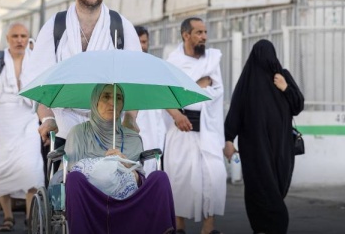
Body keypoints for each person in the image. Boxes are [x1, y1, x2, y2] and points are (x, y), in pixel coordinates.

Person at [25, 0, 142, 153]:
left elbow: (136, 77)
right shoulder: (56, 25)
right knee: (66, 180)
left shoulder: (120, 26)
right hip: (64, 124)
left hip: (109, 127)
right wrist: (47, 118)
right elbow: (39, 80)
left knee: (108, 180)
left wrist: (130, 117)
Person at [64, 84, 176, 234]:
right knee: (74, 178)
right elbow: (70, 175)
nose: (113, 103)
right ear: (95, 101)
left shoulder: (132, 138)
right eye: (106, 97)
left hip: (128, 203)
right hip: (93, 202)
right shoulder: (79, 133)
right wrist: (101, 165)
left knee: (160, 177)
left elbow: (139, 182)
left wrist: (126, 165)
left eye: (118, 98)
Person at [223, 40, 304, 234]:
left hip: (281, 148)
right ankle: (269, 227)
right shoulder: (247, 83)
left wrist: (285, 88)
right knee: (261, 190)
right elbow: (235, 111)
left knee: (276, 189)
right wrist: (228, 139)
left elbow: (298, 105)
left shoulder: (282, 77)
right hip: (255, 149)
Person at [0, 23, 44, 232]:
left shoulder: (36, 60)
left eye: (23, 36)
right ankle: (8, 216)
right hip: (1, 122)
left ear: (28, 38)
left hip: (27, 120)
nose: (19, 40)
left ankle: (31, 217)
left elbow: (43, 95)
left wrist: (46, 122)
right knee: (3, 168)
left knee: (31, 167)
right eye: (15, 36)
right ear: (8, 38)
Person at [162, 17, 225, 234]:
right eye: (198, 32)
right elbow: (167, 94)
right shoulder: (173, 62)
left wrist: (188, 90)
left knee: (213, 176)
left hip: (207, 129)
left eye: (205, 32)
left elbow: (216, 93)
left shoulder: (212, 60)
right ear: (185, 35)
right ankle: (179, 227)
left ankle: (209, 228)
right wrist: (178, 111)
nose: (204, 37)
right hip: (181, 128)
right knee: (180, 178)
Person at [130, 26, 173, 175]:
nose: (142, 46)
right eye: (138, 41)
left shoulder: (155, 65)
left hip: (155, 127)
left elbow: (162, 95)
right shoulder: (125, 67)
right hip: (134, 125)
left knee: (153, 165)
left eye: (144, 42)